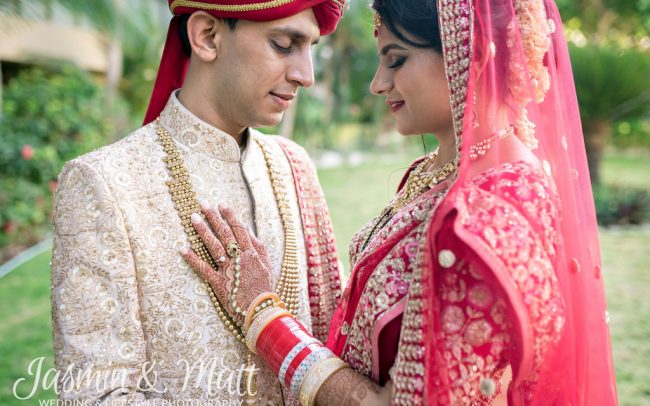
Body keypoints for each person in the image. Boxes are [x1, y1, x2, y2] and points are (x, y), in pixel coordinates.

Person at [182, 0, 618, 404]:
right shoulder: (432, 173)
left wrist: (264, 317)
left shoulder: (488, 214)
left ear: (473, 54)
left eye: (397, 60)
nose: (377, 83)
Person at [51, 1, 346, 404]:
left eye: (310, 47)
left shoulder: (294, 167)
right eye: (283, 44)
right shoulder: (104, 183)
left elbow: (335, 334)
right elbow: (95, 395)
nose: (305, 75)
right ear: (207, 36)